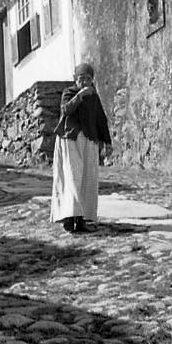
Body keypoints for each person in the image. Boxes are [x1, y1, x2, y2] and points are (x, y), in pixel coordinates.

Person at [51, 62, 113, 233]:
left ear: (92, 80)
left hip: (89, 140)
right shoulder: (68, 93)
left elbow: (100, 119)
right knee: (73, 178)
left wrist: (107, 142)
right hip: (70, 140)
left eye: (87, 79)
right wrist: (79, 96)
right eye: (81, 79)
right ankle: (69, 220)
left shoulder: (94, 97)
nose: (84, 82)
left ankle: (82, 219)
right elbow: (66, 110)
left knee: (87, 179)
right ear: (75, 80)